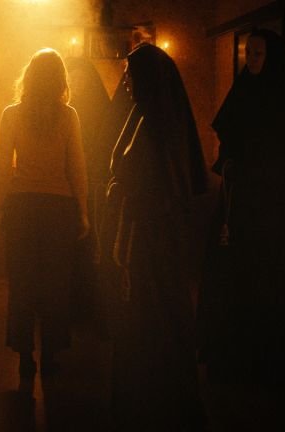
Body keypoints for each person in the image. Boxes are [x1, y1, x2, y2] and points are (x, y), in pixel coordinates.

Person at [199, 28, 285, 389]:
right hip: (240, 204)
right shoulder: (242, 93)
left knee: (272, 277)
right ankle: (233, 355)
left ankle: (272, 361)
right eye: (248, 53)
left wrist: (269, 174)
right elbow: (228, 144)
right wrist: (235, 167)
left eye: (258, 54)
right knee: (236, 275)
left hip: (274, 209)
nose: (250, 60)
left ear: (273, 58)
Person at [104, 43, 208, 431]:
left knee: (153, 324)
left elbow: (150, 184)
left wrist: (122, 191)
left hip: (151, 244)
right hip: (147, 238)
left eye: (130, 75)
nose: (126, 82)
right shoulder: (146, 117)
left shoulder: (157, 127)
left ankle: (153, 406)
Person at [0, 48, 89, 379]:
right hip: (59, 207)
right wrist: (83, 211)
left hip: (21, 206)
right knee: (56, 285)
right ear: (60, 80)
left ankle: (25, 356)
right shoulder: (68, 116)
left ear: (29, 77)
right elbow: (77, 167)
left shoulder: (12, 114)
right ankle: (50, 355)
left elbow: (2, 166)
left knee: (22, 283)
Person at [64, 56, 111, 331]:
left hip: (94, 187)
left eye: (80, 78)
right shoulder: (65, 110)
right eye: (72, 78)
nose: (76, 83)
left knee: (93, 247)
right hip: (68, 188)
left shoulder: (101, 110)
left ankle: (93, 308)